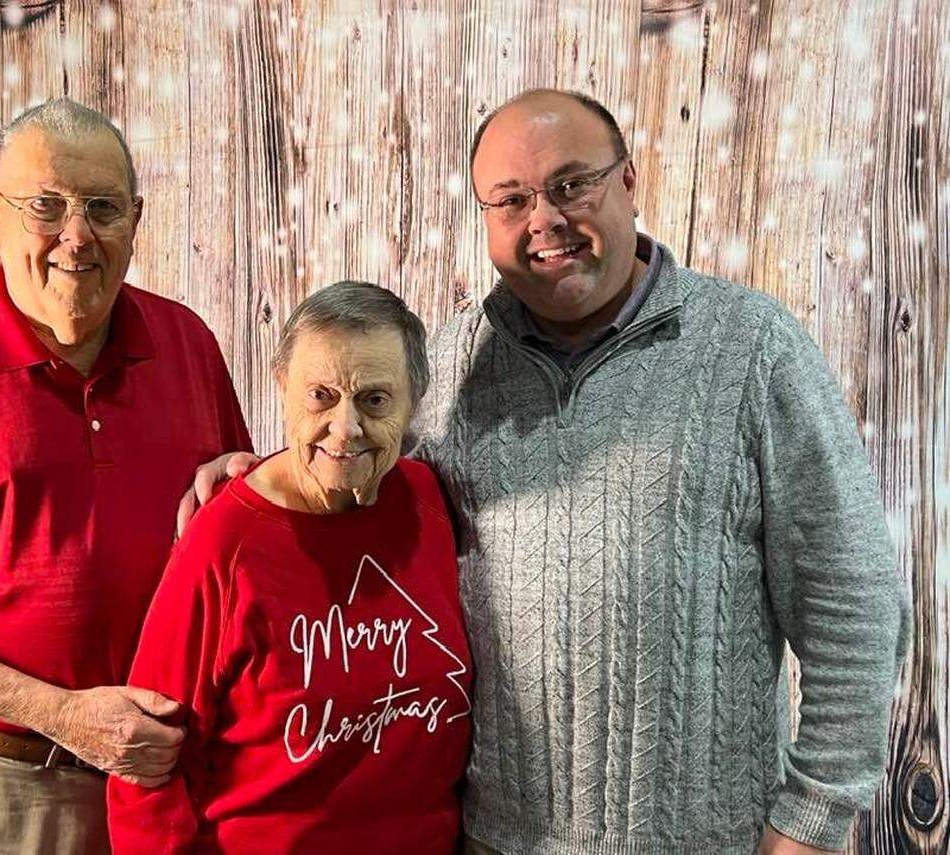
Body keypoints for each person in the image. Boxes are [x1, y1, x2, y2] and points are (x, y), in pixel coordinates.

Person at [191, 90, 911, 854]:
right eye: (511, 200)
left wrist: (811, 820)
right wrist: (261, 477)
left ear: (630, 180)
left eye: (572, 185)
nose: (545, 219)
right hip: (498, 840)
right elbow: (358, 466)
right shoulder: (455, 365)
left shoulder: (753, 349)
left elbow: (852, 598)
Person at [0, 98, 252, 854]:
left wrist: (253, 488)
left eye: (102, 207)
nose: (77, 236)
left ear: (137, 217)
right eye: (46, 207)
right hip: (3, 789)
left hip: (171, 786)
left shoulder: (188, 342)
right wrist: (63, 715)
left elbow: (233, 548)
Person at [108, 281, 473, 853]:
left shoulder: (430, 499)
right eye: (322, 396)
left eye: (375, 399)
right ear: (282, 388)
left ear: (414, 402)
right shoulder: (222, 543)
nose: (346, 427)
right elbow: (146, 767)